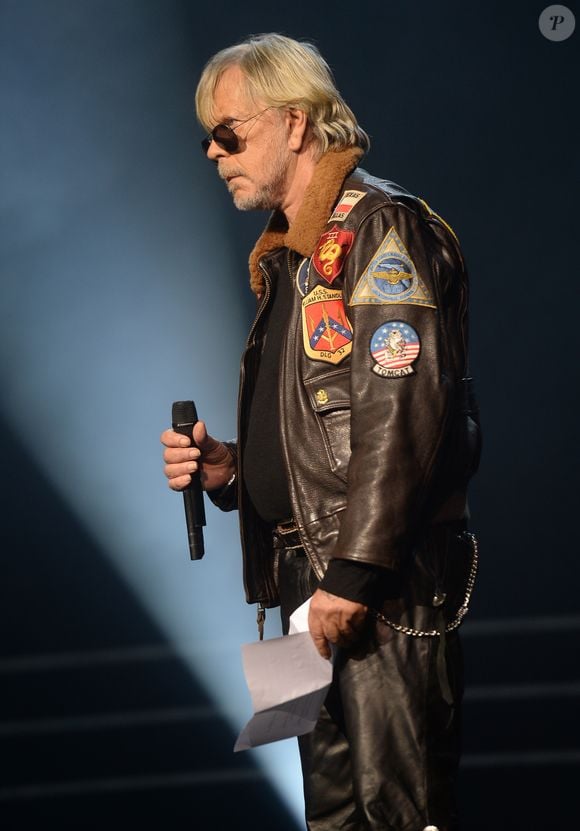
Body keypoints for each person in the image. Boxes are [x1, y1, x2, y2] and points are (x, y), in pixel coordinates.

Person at [161, 33, 481, 831]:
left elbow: (404, 416)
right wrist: (230, 473)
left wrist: (353, 573)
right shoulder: (292, 259)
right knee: (333, 819)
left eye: (228, 130)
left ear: (296, 124)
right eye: (208, 135)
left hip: (374, 587)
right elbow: (320, 434)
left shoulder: (380, 230)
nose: (211, 150)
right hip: (309, 585)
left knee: (395, 815)